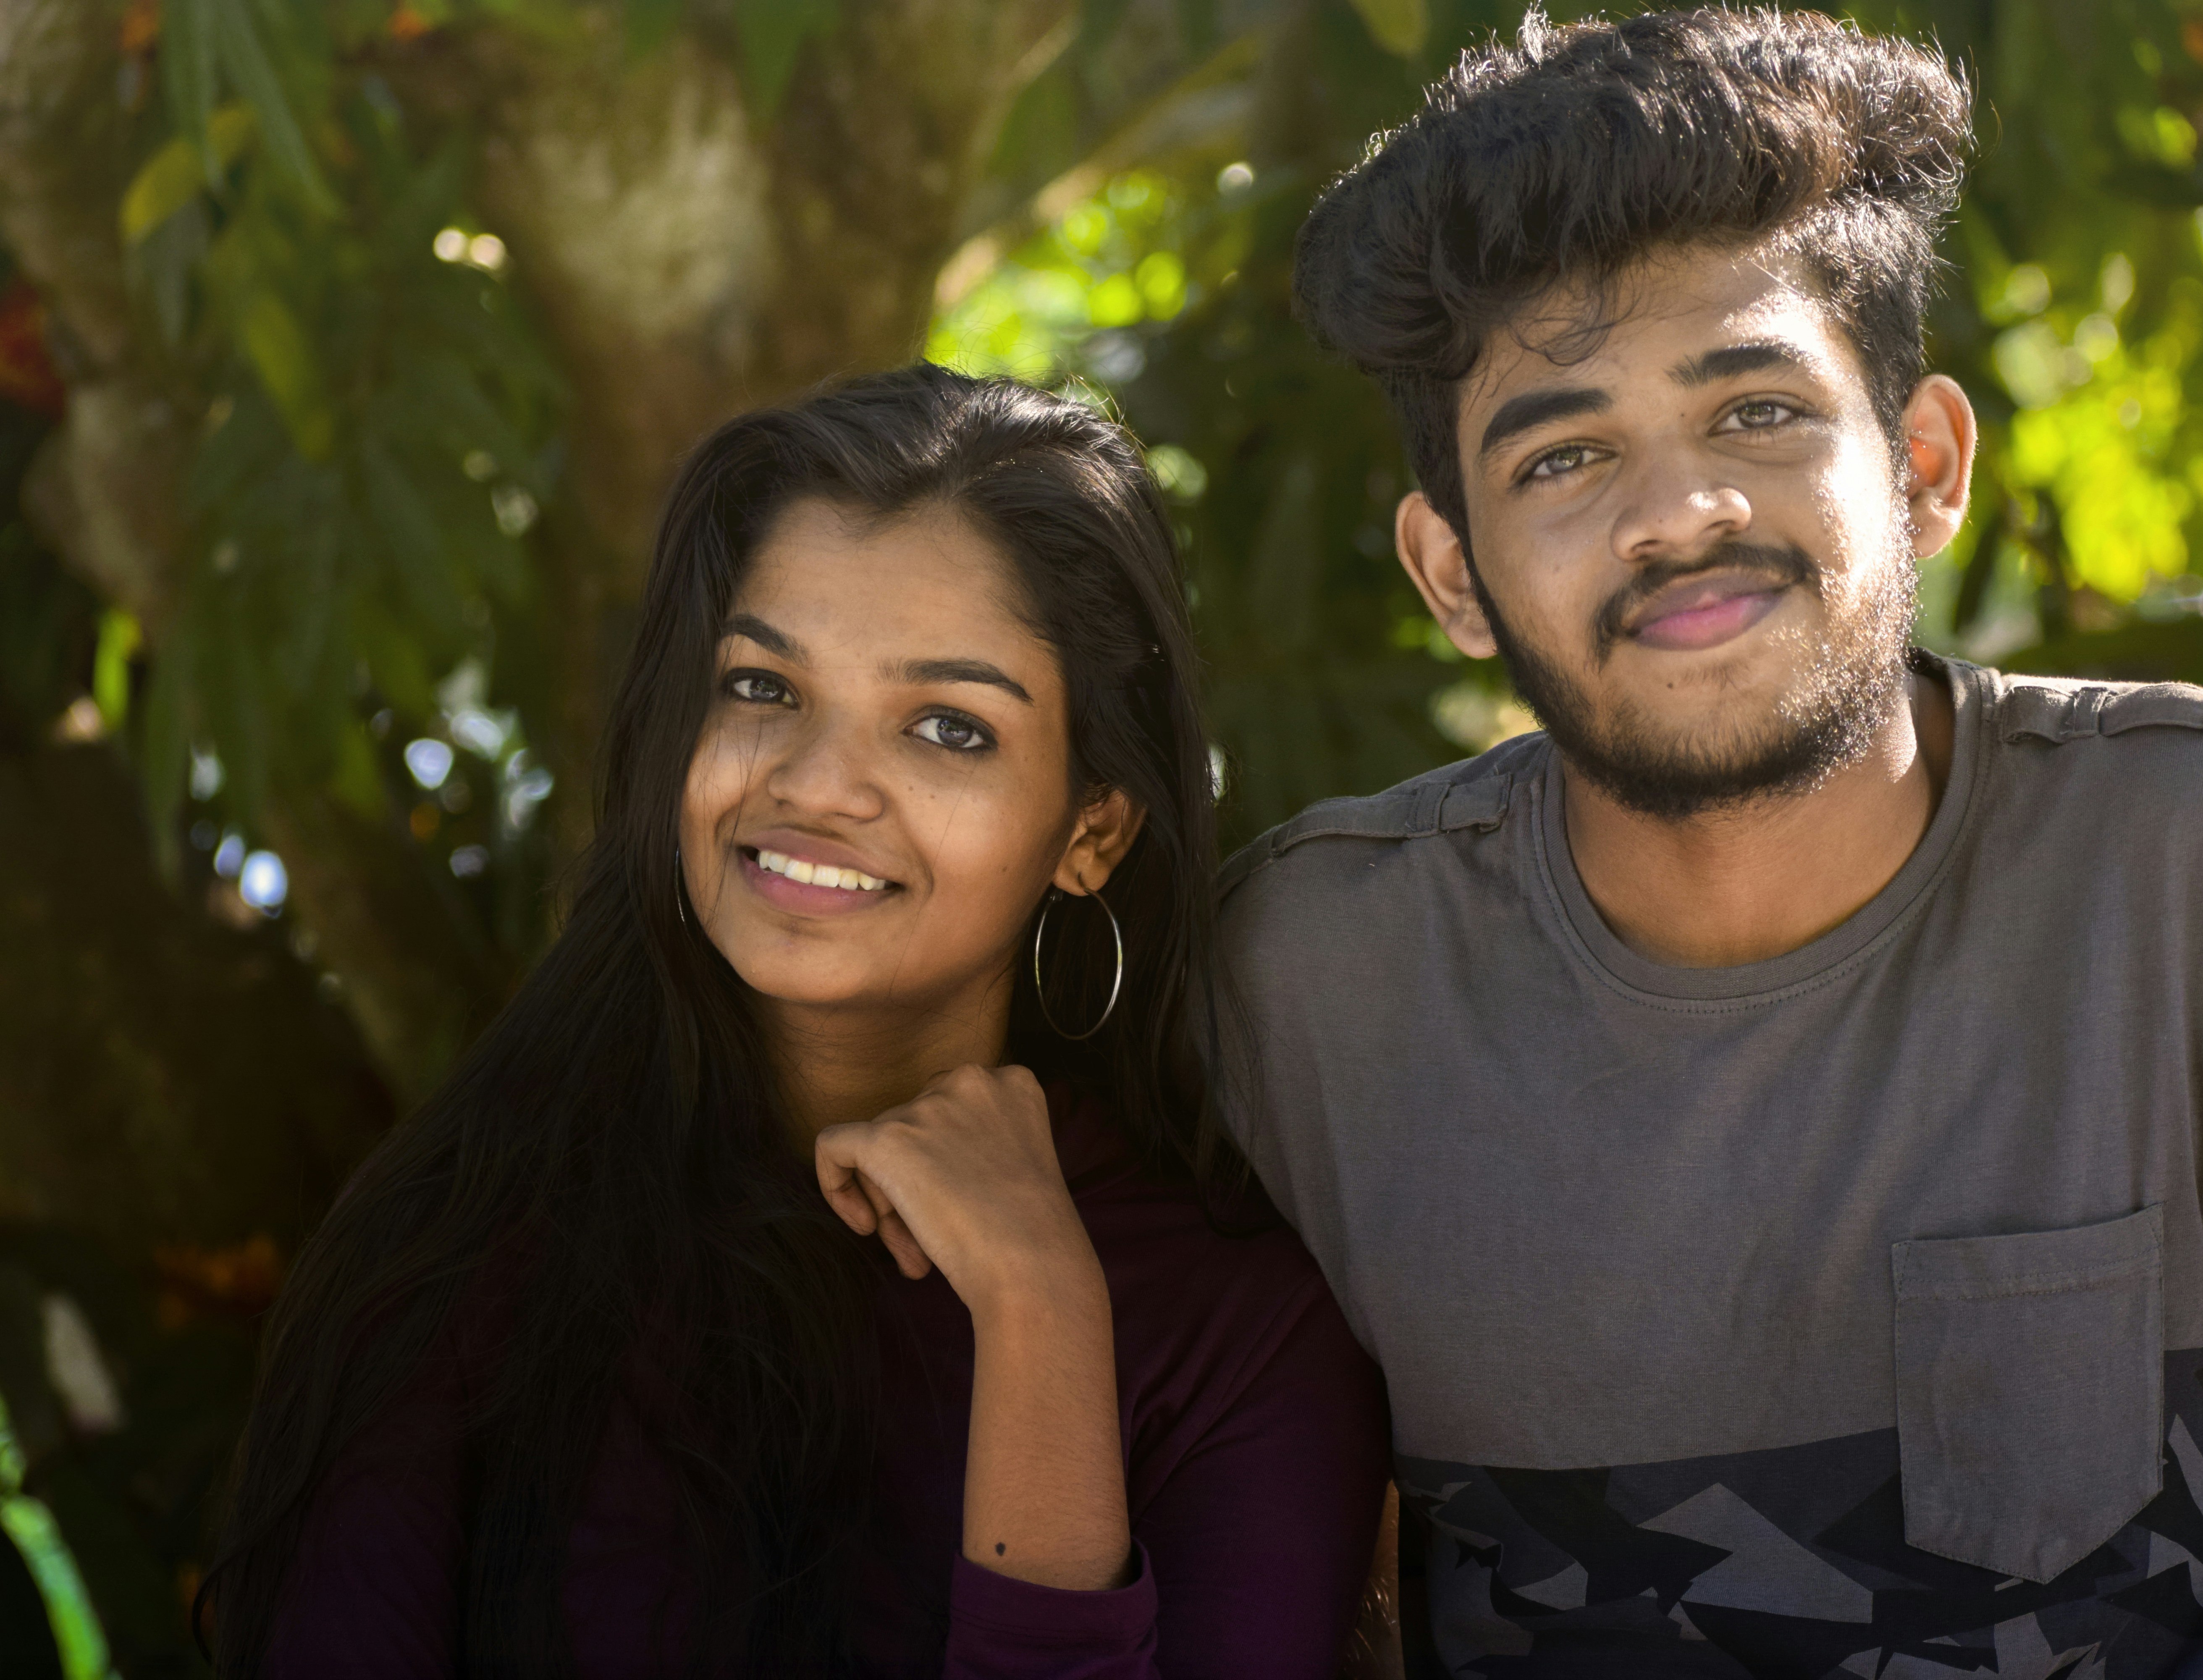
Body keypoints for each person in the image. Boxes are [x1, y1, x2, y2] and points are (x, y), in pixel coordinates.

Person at [1219, 8, 2203, 1674]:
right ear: (1452, 571)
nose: (1678, 508)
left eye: (1755, 410)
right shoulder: (1313, 985)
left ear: (1923, 467)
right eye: (1565, 453)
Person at [204, 366, 1390, 1677]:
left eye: (948, 727)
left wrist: (1045, 1313)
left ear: (1092, 832)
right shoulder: (471, 1237)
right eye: (764, 688)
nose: (818, 786)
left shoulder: (1241, 1336)